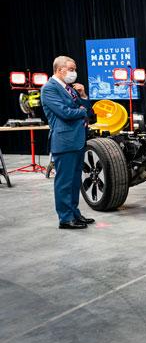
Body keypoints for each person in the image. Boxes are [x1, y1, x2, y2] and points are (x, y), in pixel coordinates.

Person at [41, 56, 95, 230]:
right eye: (71, 69)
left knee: (74, 181)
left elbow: (88, 111)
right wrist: (81, 111)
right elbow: (65, 113)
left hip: (77, 140)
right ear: (59, 70)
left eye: (74, 69)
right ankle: (65, 218)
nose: (74, 73)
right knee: (64, 182)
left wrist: (83, 96)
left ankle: (75, 214)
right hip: (64, 141)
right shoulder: (49, 88)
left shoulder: (70, 89)